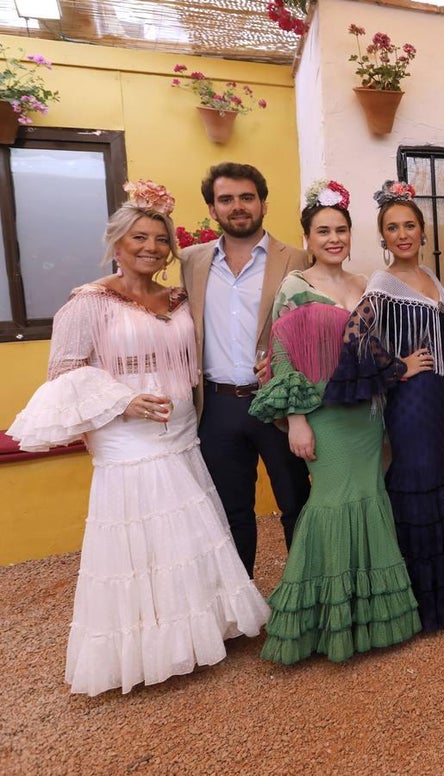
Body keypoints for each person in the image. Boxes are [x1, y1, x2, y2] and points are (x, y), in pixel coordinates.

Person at [9, 180, 268, 696]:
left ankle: (198, 633)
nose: (150, 248)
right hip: (128, 437)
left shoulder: (177, 298)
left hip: (181, 430)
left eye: (158, 239)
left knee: (190, 530)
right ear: (116, 244)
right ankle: (148, 646)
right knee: (140, 534)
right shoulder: (89, 302)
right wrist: (122, 401)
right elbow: (64, 372)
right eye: (138, 239)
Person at [249, 181, 421, 663]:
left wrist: (403, 367)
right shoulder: (295, 287)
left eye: (340, 230)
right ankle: (324, 618)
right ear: (308, 237)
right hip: (323, 416)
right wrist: (298, 420)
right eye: (323, 231)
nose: (333, 239)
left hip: (368, 416)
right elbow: (281, 359)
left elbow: (375, 350)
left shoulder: (364, 283)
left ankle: (368, 617)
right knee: (331, 503)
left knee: (369, 497)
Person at [325, 181, 444, 631]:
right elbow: (355, 340)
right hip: (410, 402)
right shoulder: (382, 283)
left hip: (439, 397)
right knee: (416, 476)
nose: (403, 234)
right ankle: (413, 599)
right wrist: (398, 368)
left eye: (410, 225)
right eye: (393, 228)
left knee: (437, 473)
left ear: (423, 232)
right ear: (384, 237)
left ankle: (441, 591)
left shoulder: (430, 277)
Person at [182, 162, 311, 577]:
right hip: (218, 406)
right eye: (226, 199)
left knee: (295, 503)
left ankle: (306, 600)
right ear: (212, 208)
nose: (237, 206)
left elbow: (312, 330)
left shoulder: (297, 258)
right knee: (230, 510)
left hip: (276, 403)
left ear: (263, 204)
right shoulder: (191, 261)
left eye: (246, 197)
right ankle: (240, 612)